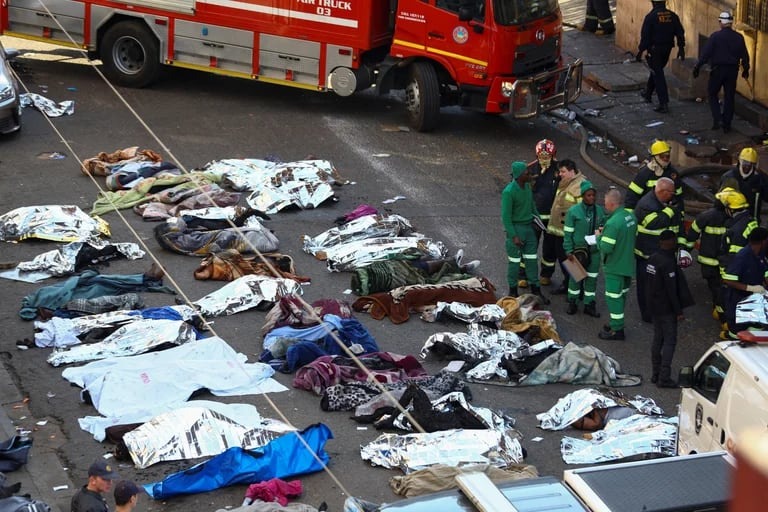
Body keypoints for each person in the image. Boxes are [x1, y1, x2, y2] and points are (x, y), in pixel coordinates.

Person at [645, 229, 694, 387]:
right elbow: (671, 290)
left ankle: (655, 373)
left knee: (657, 339)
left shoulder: (652, 259)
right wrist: (678, 311)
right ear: (670, 242)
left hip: (654, 306)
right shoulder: (668, 263)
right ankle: (664, 378)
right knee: (669, 342)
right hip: (667, 309)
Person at [633, 177, 684, 323]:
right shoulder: (646, 204)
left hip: (664, 254)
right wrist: (669, 211)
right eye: (671, 193)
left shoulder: (668, 203)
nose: (673, 196)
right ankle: (648, 315)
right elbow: (653, 223)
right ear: (662, 191)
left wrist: (681, 247)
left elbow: (677, 224)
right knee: (647, 288)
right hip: (647, 254)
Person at [692, 12, 750, 133]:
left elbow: (706, 54)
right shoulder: (739, 37)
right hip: (732, 71)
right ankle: (727, 124)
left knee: (712, 93)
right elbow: (745, 56)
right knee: (729, 97)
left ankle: (718, 118)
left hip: (718, 70)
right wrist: (746, 70)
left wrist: (697, 66)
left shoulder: (715, 36)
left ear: (721, 23)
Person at [502, 161, 549, 304]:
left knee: (532, 261)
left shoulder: (528, 187)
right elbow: (506, 217)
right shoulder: (509, 192)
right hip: (516, 230)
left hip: (529, 229)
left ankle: (536, 290)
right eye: (526, 172)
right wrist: (513, 235)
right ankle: (513, 291)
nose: (529, 174)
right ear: (519, 175)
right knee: (515, 263)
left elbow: (532, 207)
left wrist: (539, 222)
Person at [597, 188, 637, 340]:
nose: (605, 206)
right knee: (621, 296)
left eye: (606, 203)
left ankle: (617, 329)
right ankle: (615, 321)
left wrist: (599, 237)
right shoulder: (630, 217)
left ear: (612, 204)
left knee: (613, 298)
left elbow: (606, 247)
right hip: (627, 264)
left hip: (615, 266)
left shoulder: (613, 223)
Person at [520, 139, 559, 289]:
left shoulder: (559, 171)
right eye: (541, 156)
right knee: (529, 247)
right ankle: (522, 275)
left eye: (547, 156)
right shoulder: (529, 170)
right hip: (534, 217)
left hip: (552, 217)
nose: (544, 160)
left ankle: (546, 274)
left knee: (550, 249)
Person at [564, 180, 606, 317]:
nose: (592, 198)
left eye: (593, 195)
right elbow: (568, 233)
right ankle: (572, 302)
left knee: (592, 279)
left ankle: (589, 304)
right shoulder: (573, 212)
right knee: (575, 278)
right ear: (582, 196)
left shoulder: (599, 211)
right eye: (588, 195)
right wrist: (568, 251)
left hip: (594, 252)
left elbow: (603, 230)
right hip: (577, 252)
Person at [546, 159, 588, 294]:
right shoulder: (566, 183)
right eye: (559, 171)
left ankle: (576, 287)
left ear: (572, 171)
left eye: (563, 171)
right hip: (560, 231)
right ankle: (568, 283)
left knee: (571, 261)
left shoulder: (579, 186)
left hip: (570, 234)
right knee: (564, 260)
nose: (560, 174)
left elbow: (584, 212)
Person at [636, 0, 685, 114]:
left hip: (655, 50)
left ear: (653, 3)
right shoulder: (673, 16)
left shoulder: (651, 17)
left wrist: (640, 51)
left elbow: (645, 36)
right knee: (656, 70)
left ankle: (663, 103)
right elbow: (680, 32)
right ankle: (648, 93)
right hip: (667, 49)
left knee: (658, 74)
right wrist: (681, 48)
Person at [686, 196, 728, 321]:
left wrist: (685, 252)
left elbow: (692, 234)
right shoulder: (732, 219)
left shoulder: (705, 216)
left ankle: (720, 311)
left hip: (708, 261)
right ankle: (721, 311)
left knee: (714, 286)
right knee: (723, 286)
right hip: (725, 262)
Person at [722, 227, 768, 340]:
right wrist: (751, 288)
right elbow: (728, 280)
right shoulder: (742, 257)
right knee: (737, 336)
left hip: (754, 302)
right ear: (763, 241)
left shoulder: (761, 254)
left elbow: (764, 270)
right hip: (738, 302)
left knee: (755, 331)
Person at [625, 139, 683, 210]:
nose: (666, 159)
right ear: (655, 157)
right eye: (662, 156)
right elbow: (632, 197)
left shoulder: (673, 174)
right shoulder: (644, 174)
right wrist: (630, 216)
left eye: (667, 156)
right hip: (647, 211)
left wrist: (680, 215)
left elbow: (679, 197)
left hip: (666, 212)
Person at [718, 147, 768, 224]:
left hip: (752, 222)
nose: (747, 166)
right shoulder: (728, 177)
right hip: (731, 222)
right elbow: (720, 202)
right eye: (745, 163)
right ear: (739, 161)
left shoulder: (760, 179)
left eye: (750, 164)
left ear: (754, 165)